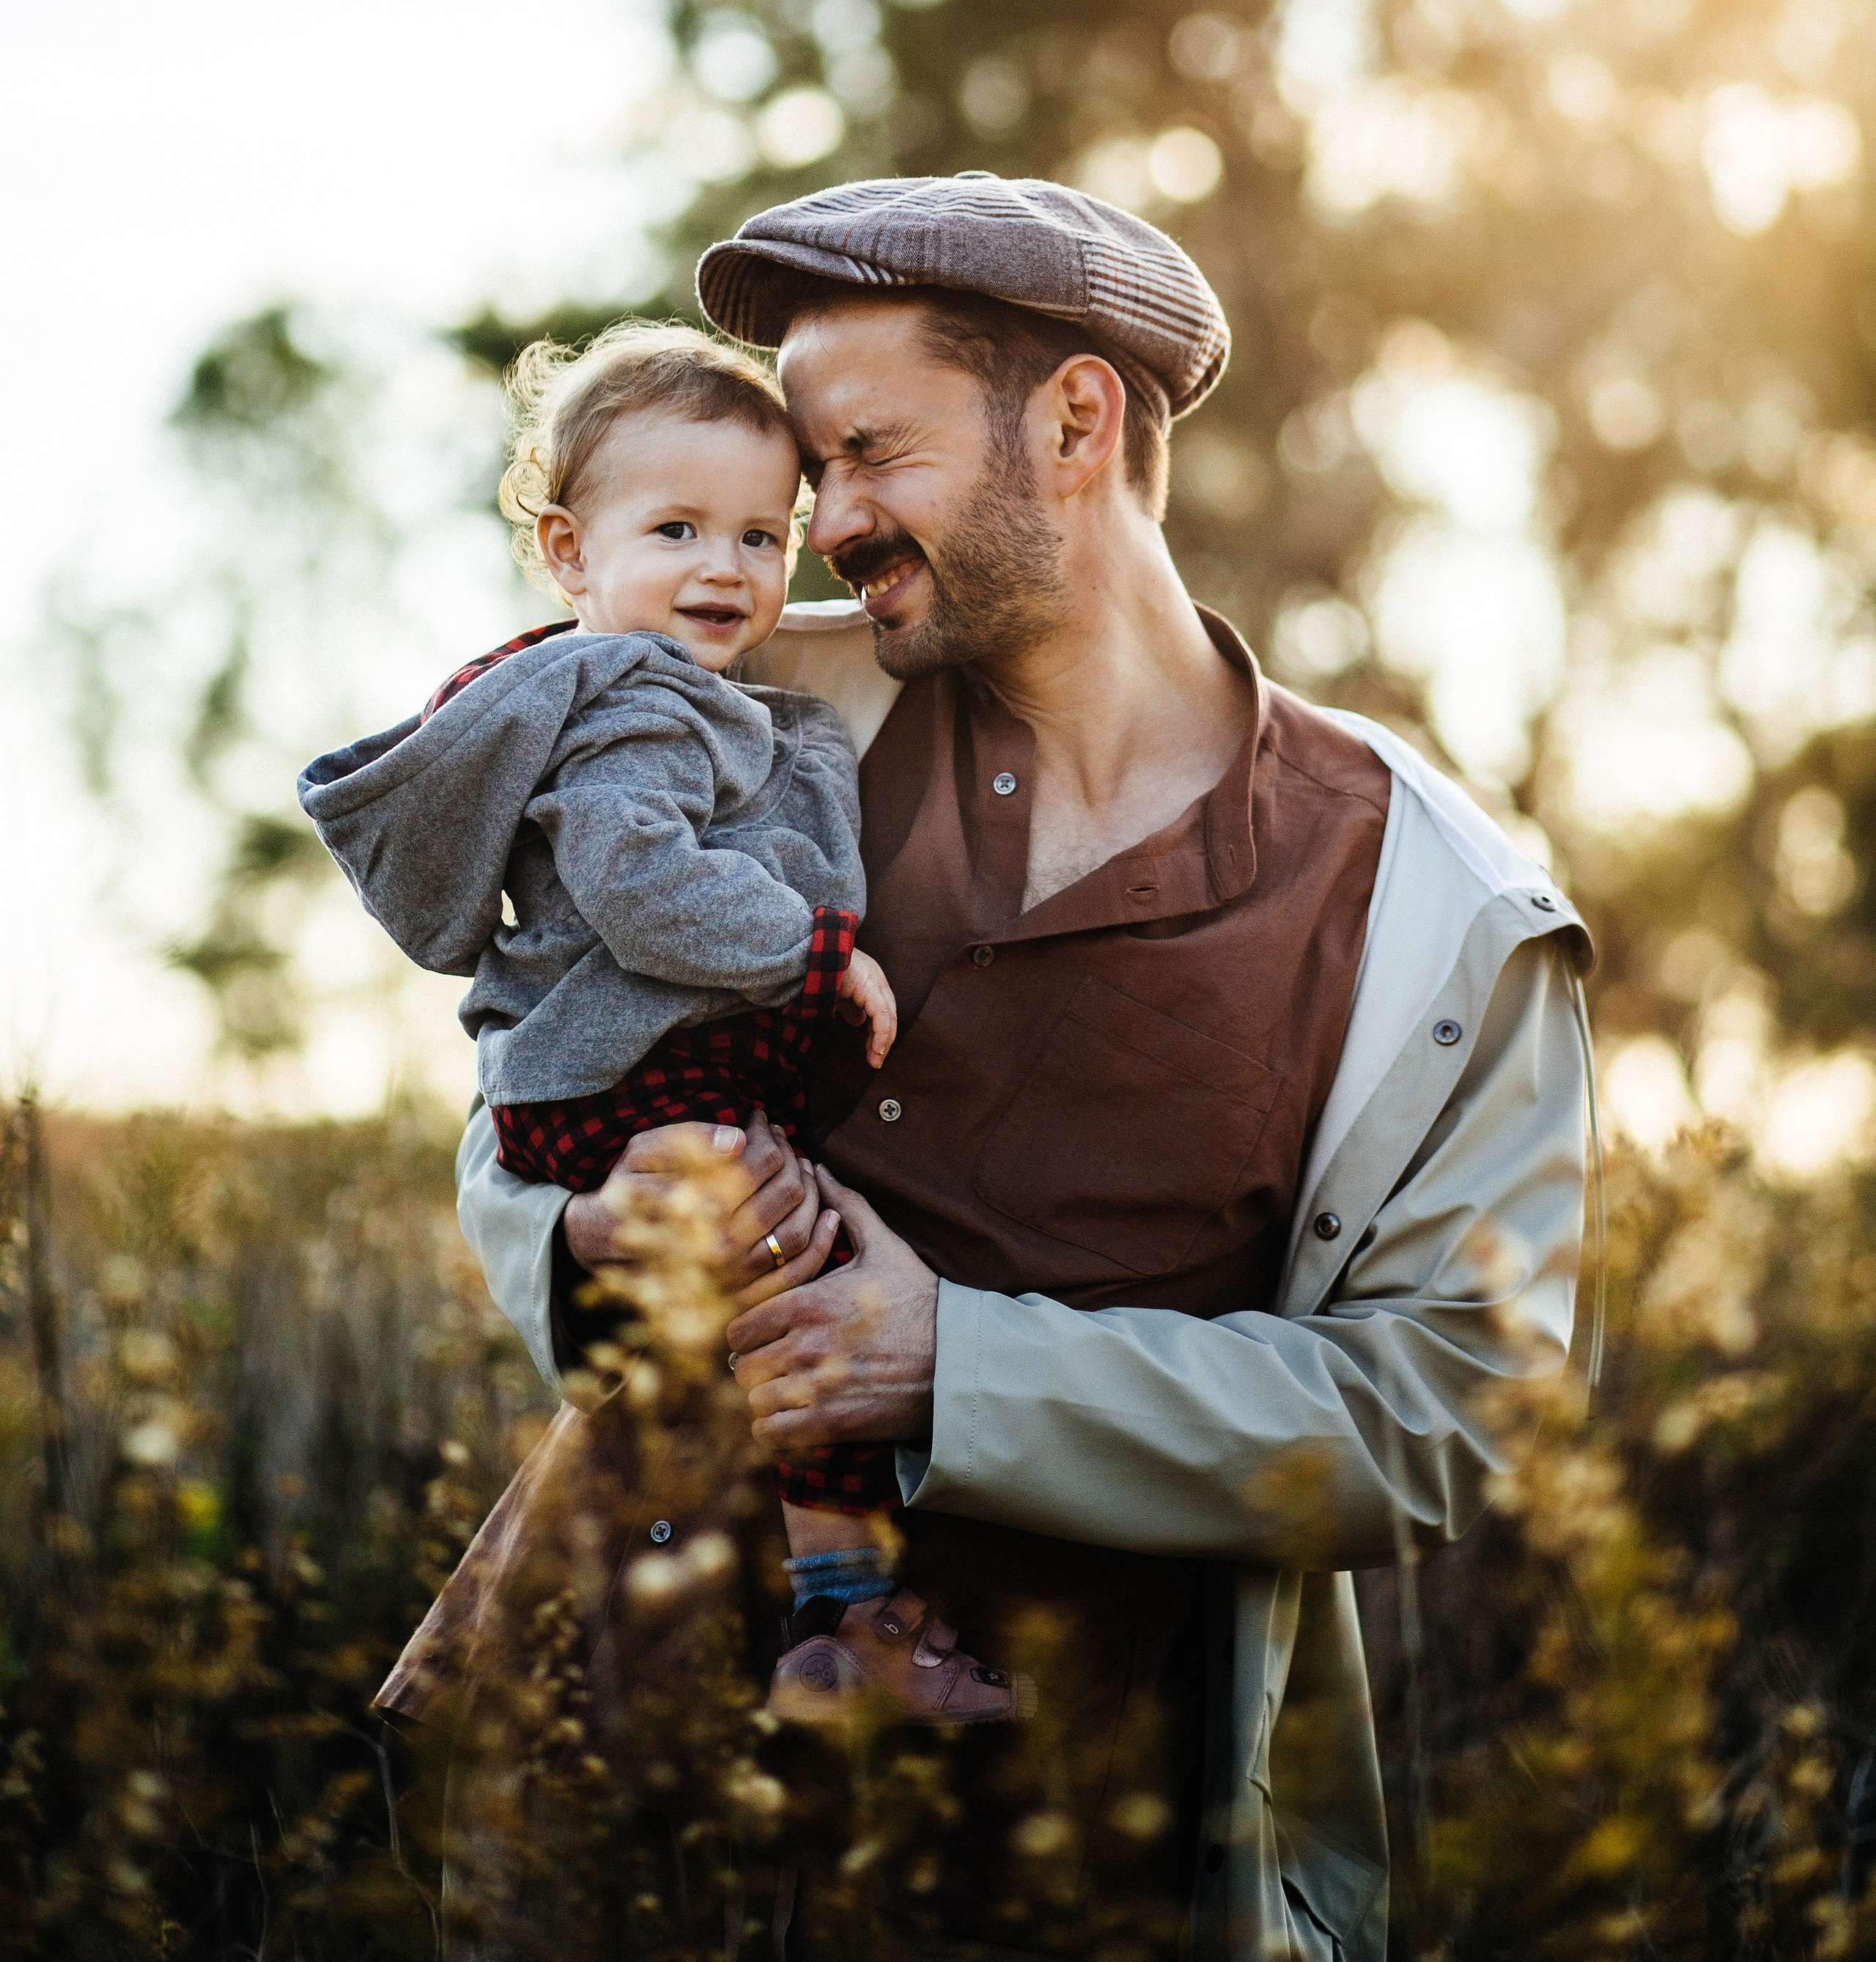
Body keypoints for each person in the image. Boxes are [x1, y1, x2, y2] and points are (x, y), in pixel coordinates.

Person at [454, 171, 1595, 1961]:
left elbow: (1462, 1414)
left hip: (1078, 1856)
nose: (818, 523)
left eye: (865, 454)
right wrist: (574, 1234)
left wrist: (954, 1366)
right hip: (605, 1792)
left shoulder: (1428, 907)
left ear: (1072, 419)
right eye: (801, 473)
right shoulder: (747, 717)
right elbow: (523, 1062)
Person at [300, 321, 1013, 1724]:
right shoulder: (631, 701)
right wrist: (816, 958)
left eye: (761, 534)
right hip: (623, 1073)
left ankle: (829, 1608)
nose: (724, 568)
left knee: (787, 1287)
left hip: (632, 1066)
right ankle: (842, 1616)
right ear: (570, 551)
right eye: (676, 526)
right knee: (805, 1300)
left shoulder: (695, 690)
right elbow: (638, 888)